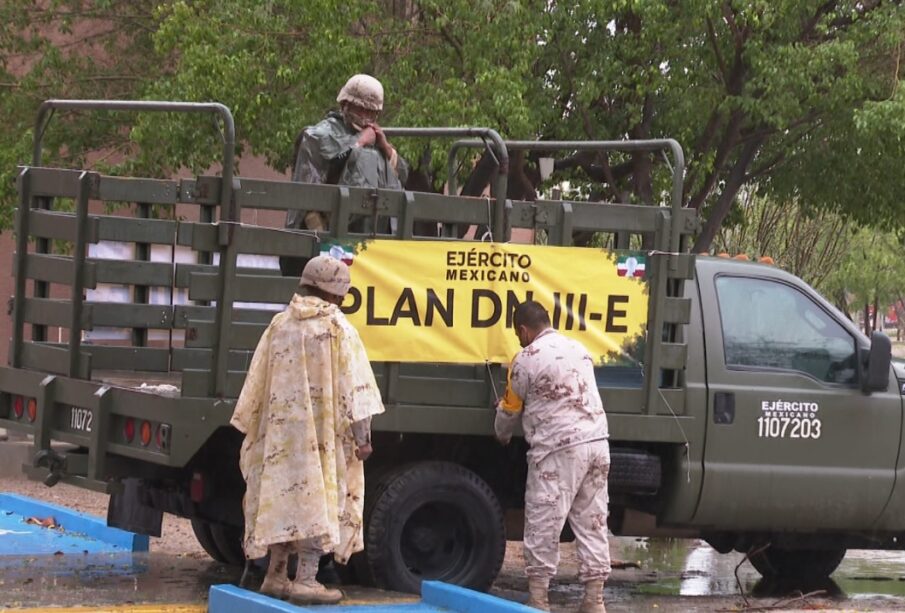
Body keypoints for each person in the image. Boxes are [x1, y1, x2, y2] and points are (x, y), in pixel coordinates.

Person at [230, 254, 384, 604]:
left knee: (281, 497)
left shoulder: (279, 325)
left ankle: (275, 574)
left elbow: (254, 385)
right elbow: (356, 390)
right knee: (320, 500)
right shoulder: (338, 329)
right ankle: (307, 580)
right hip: (323, 438)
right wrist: (363, 440)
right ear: (337, 294)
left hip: (280, 437)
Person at [495, 301, 611, 613]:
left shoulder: (526, 358)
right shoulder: (579, 349)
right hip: (598, 444)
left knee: (544, 523)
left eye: (518, 334)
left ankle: (538, 600)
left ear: (523, 330)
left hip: (559, 451)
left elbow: (509, 410)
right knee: (593, 521)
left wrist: (502, 433)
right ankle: (594, 601)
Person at [282, 74, 408, 276]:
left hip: (368, 243)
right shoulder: (320, 135)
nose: (367, 116)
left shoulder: (376, 142)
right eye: (362, 108)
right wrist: (358, 143)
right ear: (346, 104)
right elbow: (308, 194)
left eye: (372, 111)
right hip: (324, 239)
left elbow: (401, 176)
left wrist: (386, 147)